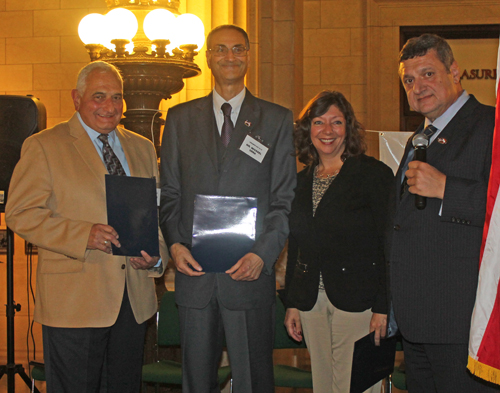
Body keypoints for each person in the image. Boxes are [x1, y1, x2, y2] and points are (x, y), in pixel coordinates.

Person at [5, 61, 166, 393]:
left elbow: (156, 217)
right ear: (76, 99)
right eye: (99, 96)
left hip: (132, 301)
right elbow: (19, 213)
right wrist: (83, 235)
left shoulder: (143, 148)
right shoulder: (44, 146)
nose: (109, 107)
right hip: (73, 303)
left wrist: (157, 257)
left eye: (117, 97)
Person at [159, 24, 296, 392]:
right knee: (196, 383)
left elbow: (284, 199)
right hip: (195, 276)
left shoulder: (277, 120)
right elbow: (169, 194)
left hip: (249, 277)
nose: (229, 57)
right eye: (220, 49)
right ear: (208, 58)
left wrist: (262, 256)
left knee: (252, 382)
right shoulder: (179, 119)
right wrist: (174, 245)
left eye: (238, 49)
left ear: (249, 56)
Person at [388, 34, 499, 392]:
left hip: (462, 319)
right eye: (409, 80)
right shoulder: (418, 139)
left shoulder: (490, 126)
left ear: (455, 72)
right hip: (417, 321)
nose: (418, 87)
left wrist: (447, 189)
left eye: (428, 74)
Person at [283, 90, 393, 393]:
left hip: (359, 304)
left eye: (336, 122)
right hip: (311, 303)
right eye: (318, 122)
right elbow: (297, 245)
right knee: (324, 386)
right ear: (308, 130)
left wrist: (384, 307)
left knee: (355, 386)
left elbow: (390, 244)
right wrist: (292, 303)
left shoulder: (373, 175)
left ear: (349, 128)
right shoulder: (300, 182)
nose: (327, 131)